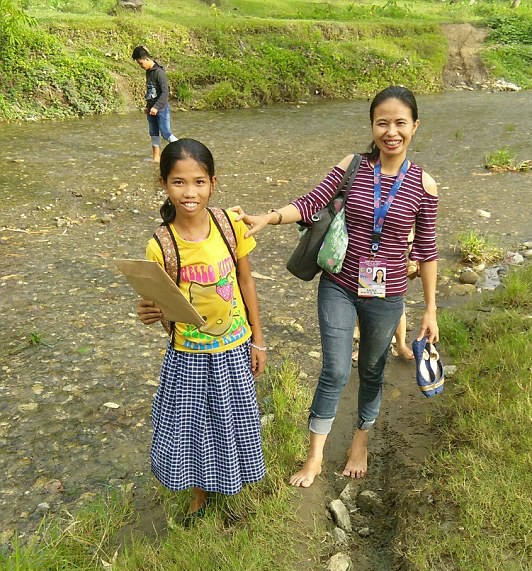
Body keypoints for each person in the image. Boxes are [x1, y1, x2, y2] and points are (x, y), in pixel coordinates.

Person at [235, 85, 439, 488]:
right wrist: (270, 217)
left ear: (415, 126)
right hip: (340, 284)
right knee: (333, 369)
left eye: (400, 123)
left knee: (372, 370)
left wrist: (430, 309)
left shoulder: (425, 186)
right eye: (382, 122)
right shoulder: (352, 166)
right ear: (372, 125)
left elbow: (428, 251)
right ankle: (314, 458)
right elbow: (312, 203)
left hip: (388, 294)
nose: (391, 131)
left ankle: (359, 441)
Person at [136, 138, 267, 522]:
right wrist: (152, 311)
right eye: (178, 182)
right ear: (164, 184)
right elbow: (164, 310)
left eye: (198, 182)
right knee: (192, 427)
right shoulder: (161, 244)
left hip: (235, 347)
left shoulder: (229, 225)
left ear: (212, 183)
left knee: (234, 419)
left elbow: (246, 282)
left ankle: (232, 484)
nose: (189, 192)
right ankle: (198, 494)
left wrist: (259, 340)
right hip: (188, 355)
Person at [132, 45, 178, 163]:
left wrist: (156, 107)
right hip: (151, 108)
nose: (141, 66)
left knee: (165, 133)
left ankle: (183, 150)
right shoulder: (149, 72)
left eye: (141, 63)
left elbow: (165, 93)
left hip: (161, 109)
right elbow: (150, 92)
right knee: (153, 133)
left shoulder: (159, 72)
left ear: (147, 59)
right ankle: (156, 158)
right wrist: (148, 107)